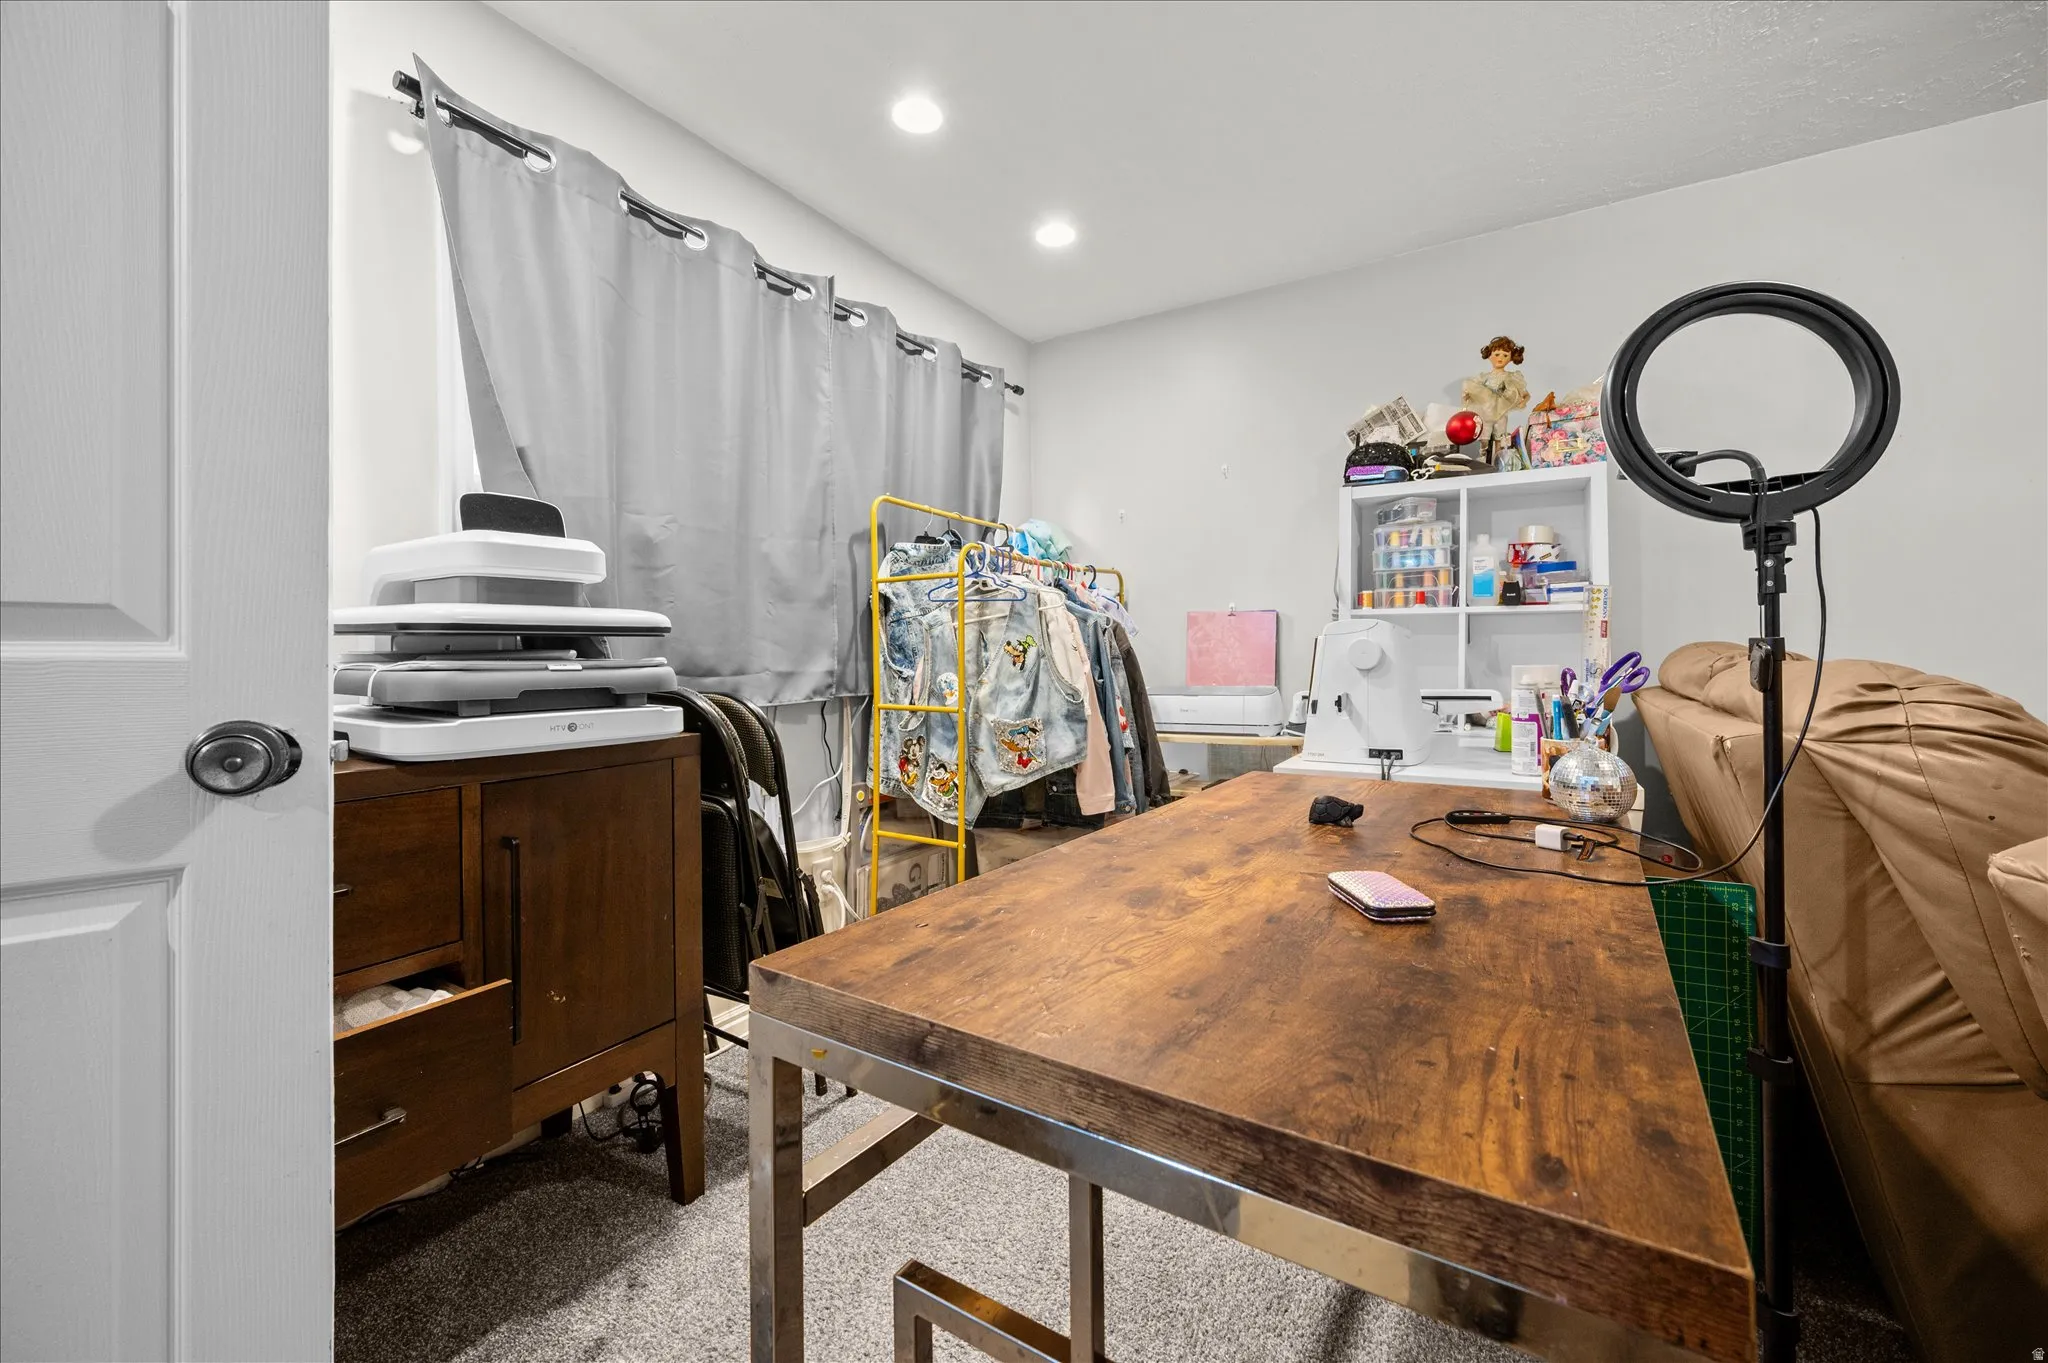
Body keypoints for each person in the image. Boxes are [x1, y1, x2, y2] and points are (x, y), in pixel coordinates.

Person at [1462, 336, 1530, 464]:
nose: (1500, 358)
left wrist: (1523, 401)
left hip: (1500, 411)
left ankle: (1498, 460)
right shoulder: (1484, 377)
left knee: (1500, 437)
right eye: (1497, 354)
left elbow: (1525, 394)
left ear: (1511, 358)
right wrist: (1468, 395)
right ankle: (1483, 459)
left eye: (1505, 355)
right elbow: (1474, 391)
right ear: (1489, 355)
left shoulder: (1511, 377)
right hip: (1485, 411)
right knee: (1484, 438)